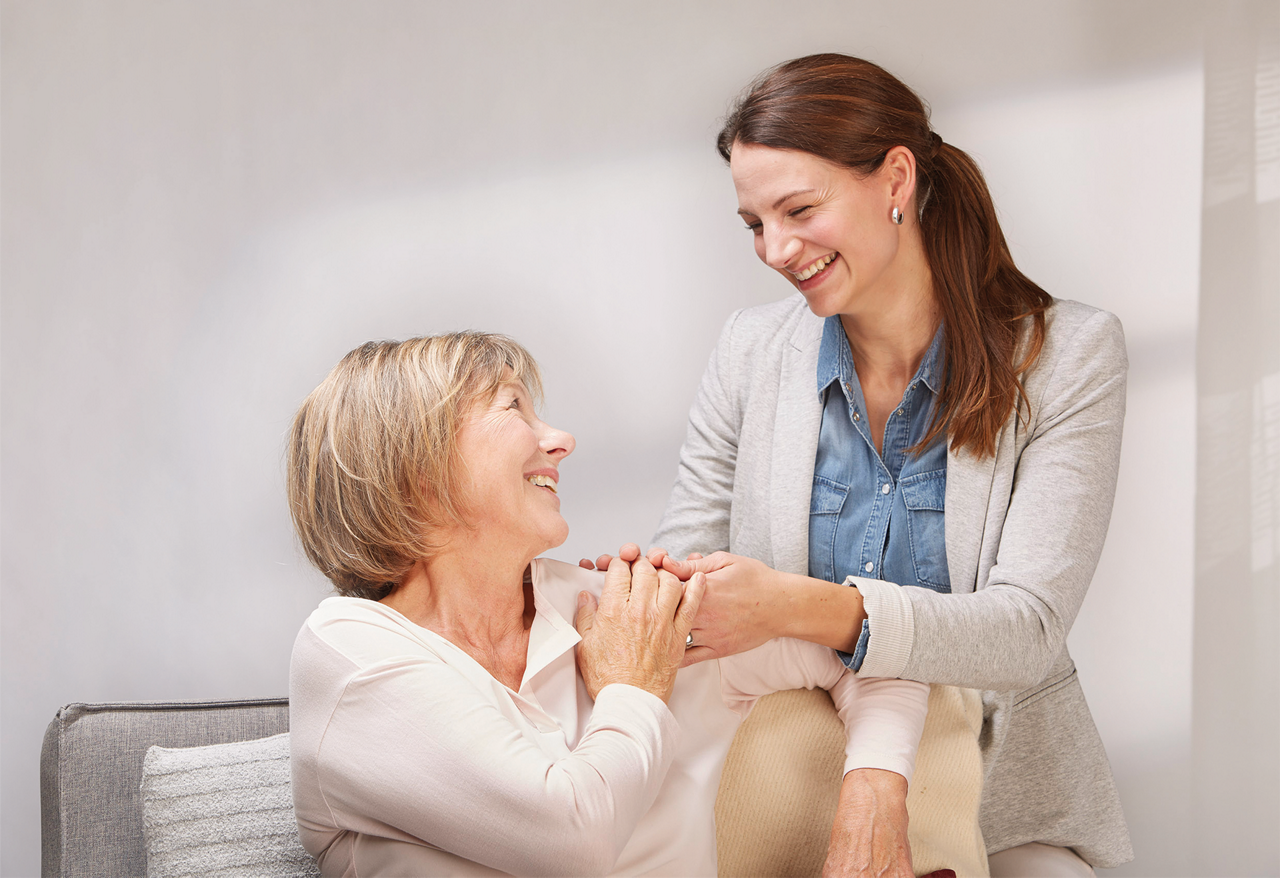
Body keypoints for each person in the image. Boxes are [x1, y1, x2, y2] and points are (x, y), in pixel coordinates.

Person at [643, 54, 1133, 874]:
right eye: (754, 223)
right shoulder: (751, 352)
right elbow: (690, 564)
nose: (774, 248)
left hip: (996, 790)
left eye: (798, 209)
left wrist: (797, 607)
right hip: (783, 761)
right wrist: (666, 595)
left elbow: (1026, 633)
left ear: (895, 178)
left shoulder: (1067, 356)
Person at [284, 332, 936, 877]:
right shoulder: (350, 650)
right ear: (415, 465)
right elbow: (572, 840)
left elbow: (880, 654)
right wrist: (632, 689)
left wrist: (873, 792)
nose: (561, 439)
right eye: (514, 408)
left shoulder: (621, 610)